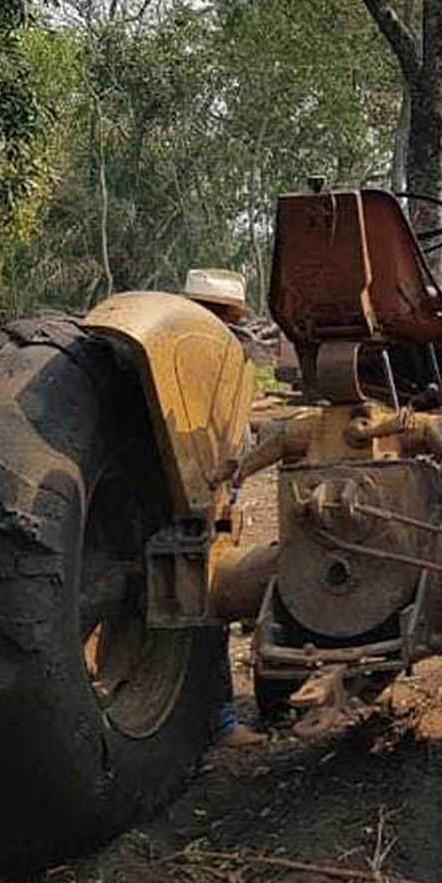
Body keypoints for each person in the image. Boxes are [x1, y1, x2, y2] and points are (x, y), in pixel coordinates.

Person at [181, 268, 265, 749]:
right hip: (198, 504)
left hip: (198, 498)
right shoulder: (218, 365)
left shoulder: (181, 357)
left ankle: (212, 719)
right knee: (209, 601)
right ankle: (221, 723)